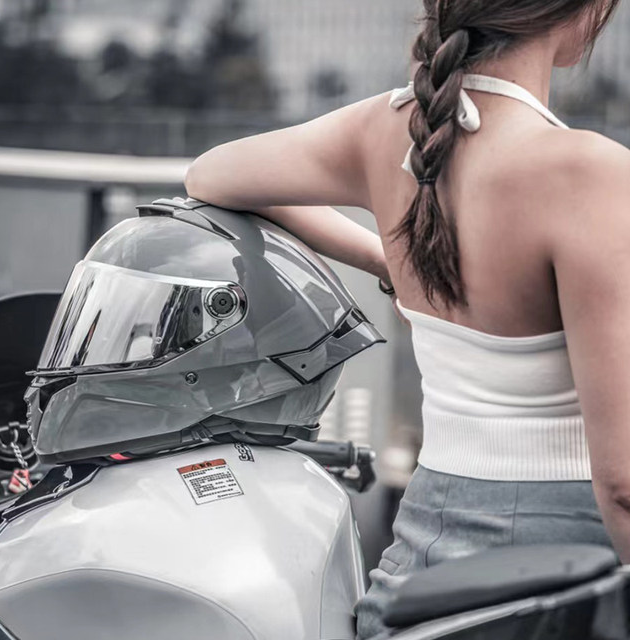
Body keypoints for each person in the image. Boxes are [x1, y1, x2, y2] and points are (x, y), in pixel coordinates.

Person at [184, 0, 629, 636]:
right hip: (555, 582)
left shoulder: (390, 127)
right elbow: (623, 486)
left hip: (414, 575)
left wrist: (387, 256)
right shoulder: (592, 174)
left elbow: (211, 175)